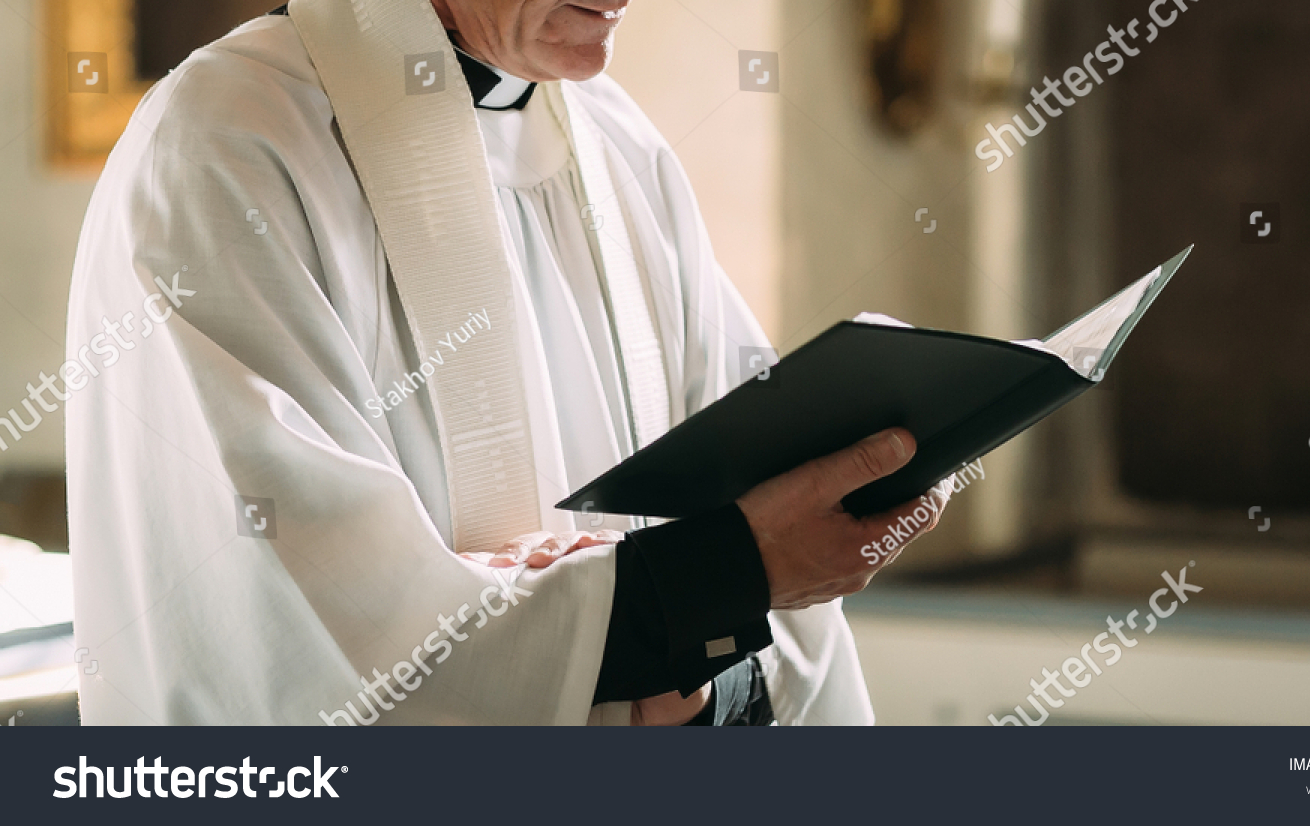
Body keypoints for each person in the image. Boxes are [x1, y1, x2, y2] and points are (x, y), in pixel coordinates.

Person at [64, 0, 947, 725]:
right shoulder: (228, 142)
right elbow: (305, 632)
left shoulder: (618, 144)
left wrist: (844, 493)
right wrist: (713, 581)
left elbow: (755, 527)